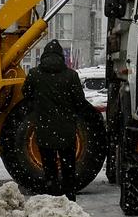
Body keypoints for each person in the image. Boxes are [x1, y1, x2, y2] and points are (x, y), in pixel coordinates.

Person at [22, 40, 92, 200]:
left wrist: (39, 105)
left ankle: (51, 197)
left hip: (44, 130)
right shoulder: (71, 76)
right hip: (67, 132)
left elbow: (26, 94)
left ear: (44, 56)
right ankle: (69, 198)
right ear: (61, 56)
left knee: (49, 168)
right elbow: (80, 101)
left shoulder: (34, 74)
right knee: (68, 168)